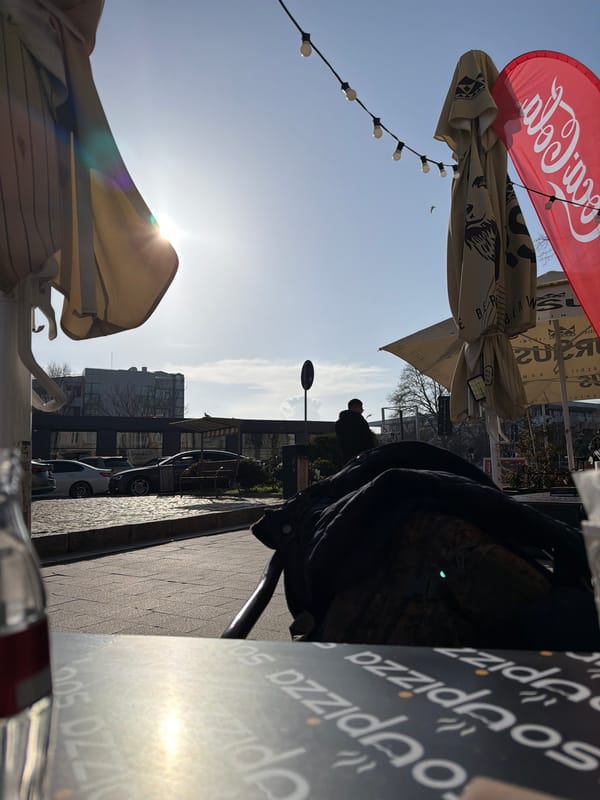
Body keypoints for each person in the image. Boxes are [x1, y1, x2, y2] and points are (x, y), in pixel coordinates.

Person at [335, 399, 377, 464]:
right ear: (355, 407)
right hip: (361, 458)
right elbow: (368, 440)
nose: (362, 410)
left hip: (346, 459)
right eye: (361, 408)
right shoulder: (360, 421)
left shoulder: (339, 423)